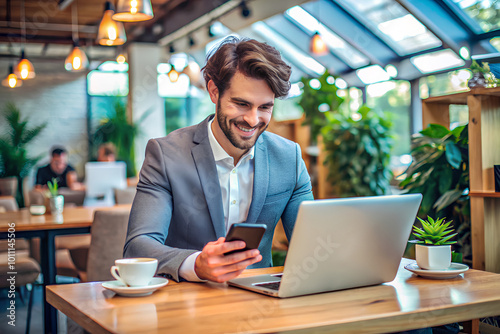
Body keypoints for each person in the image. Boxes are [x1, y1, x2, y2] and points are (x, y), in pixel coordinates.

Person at [124, 37, 313, 283]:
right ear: (214, 92)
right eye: (241, 104)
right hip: (185, 302)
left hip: (261, 301)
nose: (253, 120)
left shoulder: (289, 158)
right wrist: (195, 264)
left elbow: (312, 244)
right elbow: (138, 247)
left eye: (265, 107)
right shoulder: (165, 155)